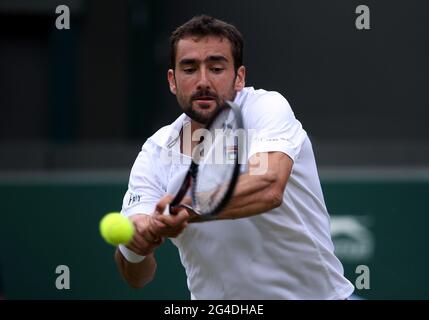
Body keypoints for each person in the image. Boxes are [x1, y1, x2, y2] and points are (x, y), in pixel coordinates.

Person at [115, 15, 355, 299]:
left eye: (216, 68)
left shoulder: (266, 108)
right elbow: (138, 277)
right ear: (173, 80)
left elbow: (268, 186)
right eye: (189, 69)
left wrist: (190, 207)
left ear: (239, 77)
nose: (203, 81)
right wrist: (136, 246)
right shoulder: (155, 151)